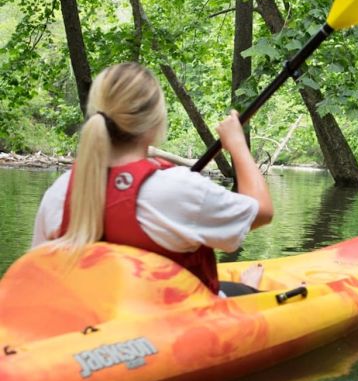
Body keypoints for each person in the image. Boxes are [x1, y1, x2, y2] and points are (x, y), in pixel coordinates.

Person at [31, 62, 273, 296]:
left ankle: (244, 287)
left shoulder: (59, 192)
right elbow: (262, 212)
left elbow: (41, 272)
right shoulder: (178, 189)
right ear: (154, 124)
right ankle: (248, 288)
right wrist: (238, 145)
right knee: (245, 290)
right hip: (175, 324)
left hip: (96, 323)